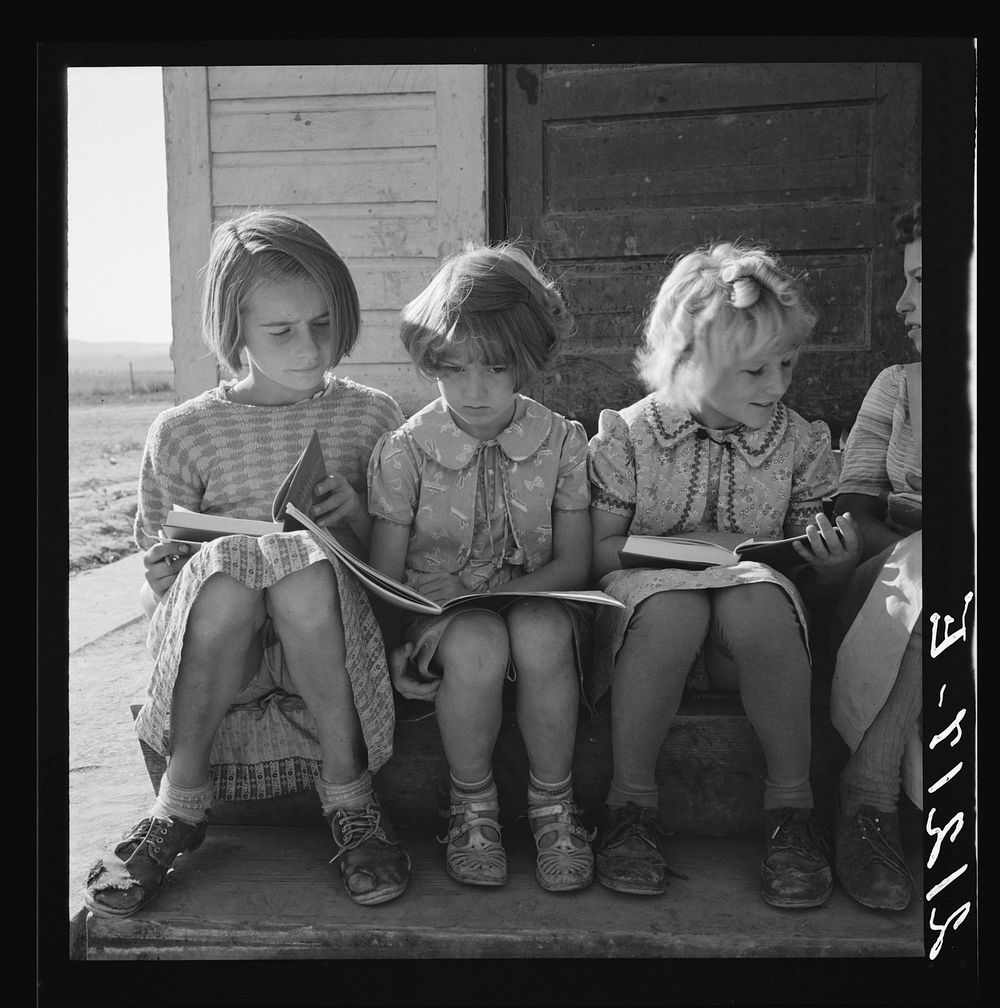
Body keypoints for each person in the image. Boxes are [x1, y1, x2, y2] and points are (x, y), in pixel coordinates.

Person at [84, 210, 412, 916]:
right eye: (281, 331)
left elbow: (393, 572)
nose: (309, 346)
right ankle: (179, 805)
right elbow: (157, 601)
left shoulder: (372, 418)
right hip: (220, 653)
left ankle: (350, 797)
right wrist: (161, 584)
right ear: (235, 332)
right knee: (232, 569)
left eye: (323, 324)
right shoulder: (184, 432)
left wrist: (354, 520)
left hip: (331, 644)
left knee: (293, 564)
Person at [587, 242, 862, 908]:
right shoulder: (628, 437)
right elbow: (603, 551)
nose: (778, 386)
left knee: (756, 599)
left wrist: (833, 566)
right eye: (754, 371)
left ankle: (792, 811)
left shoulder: (798, 443)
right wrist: (707, 552)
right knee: (679, 607)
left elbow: (802, 564)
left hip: (748, 642)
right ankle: (629, 806)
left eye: (788, 364)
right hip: (651, 631)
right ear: (690, 363)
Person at [367, 243, 596, 892]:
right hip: (441, 621)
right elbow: (386, 578)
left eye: (495, 368)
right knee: (475, 640)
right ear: (432, 358)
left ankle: (554, 805)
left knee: (542, 628)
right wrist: (395, 647)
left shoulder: (561, 441)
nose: (474, 390)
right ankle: (473, 806)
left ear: (527, 362)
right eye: (455, 368)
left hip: (539, 598)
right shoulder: (405, 452)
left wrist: (495, 591)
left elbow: (574, 561)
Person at [828, 202, 923, 911]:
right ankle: (866, 796)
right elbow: (854, 512)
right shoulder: (901, 386)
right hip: (889, 577)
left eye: (923, 280)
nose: (902, 301)